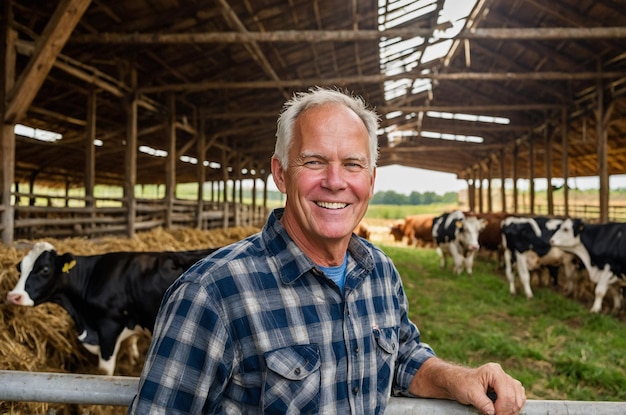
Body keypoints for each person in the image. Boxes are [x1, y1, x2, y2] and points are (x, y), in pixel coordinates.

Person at [128, 87, 526, 414]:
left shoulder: (380, 273)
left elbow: (401, 357)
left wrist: (458, 378)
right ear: (281, 174)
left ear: (370, 181)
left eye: (352, 165)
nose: (335, 182)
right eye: (314, 161)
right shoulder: (211, 293)